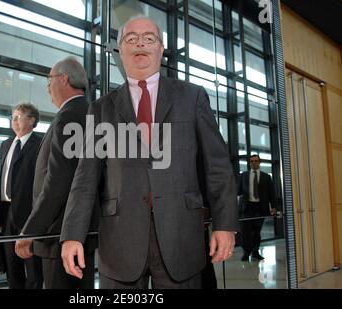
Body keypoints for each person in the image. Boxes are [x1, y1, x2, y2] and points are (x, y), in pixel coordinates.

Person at [60, 16, 239, 289]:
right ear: (120, 50)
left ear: (161, 48)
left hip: (182, 237)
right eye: (131, 39)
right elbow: (85, 178)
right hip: (120, 242)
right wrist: (72, 234)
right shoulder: (101, 108)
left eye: (149, 38)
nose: (140, 43)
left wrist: (225, 225)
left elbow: (217, 166)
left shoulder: (192, 98)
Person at [15, 57, 97, 289]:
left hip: (59, 234)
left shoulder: (69, 115)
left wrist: (31, 230)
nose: (48, 87)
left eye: (49, 80)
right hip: (78, 231)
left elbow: (59, 182)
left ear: (64, 79)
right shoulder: (89, 112)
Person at [0, 102, 43, 289]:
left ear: (31, 120)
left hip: (29, 214)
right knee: (12, 269)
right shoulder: (6, 145)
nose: (13, 121)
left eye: (17, 117)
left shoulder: (40, 145)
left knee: (33, 270)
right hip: (6, 213)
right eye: (12, 117)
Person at [238, 154, 277, 261]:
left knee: (256, 232)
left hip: (260, 207)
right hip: (247, 207)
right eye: (252, 161)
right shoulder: (243, 176)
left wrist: (273, 207)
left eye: (256, 161)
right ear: (249, 163)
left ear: (259, 162)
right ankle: (246, 252)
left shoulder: (266, 177)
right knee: (245, 232)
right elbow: (238, 191)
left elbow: (271, 193)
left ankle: (255, 252)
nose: (254, 163)